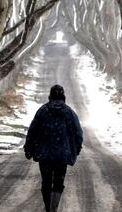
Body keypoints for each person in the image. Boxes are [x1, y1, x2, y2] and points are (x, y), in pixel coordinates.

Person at [24, 84, 83, 212]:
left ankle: (48, 208)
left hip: (44, 155)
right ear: (63, 96)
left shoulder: (42, 111)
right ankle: (53, 208)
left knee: (46, 182)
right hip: (62, 155)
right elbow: (78, 134)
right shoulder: (69, 113)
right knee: (58, 183)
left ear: (50, 96)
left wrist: (28, 147)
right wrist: (76, 149)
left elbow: (33, 131)